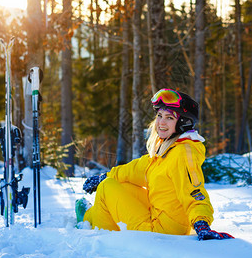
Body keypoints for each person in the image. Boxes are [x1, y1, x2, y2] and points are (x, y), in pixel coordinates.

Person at [76, 88, 233, 241]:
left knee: (107, 187)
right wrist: (105, 175)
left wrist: (201, 223)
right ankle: (94, 214)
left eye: (169, 118)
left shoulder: (183, 153)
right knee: (117, 183)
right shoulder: (167, 148)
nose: (161, 122)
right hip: (159, 216)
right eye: (159, 115)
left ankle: (92, 224)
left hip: (161, 231)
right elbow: (137, 168)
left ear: (183, 123)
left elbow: (194, 190)